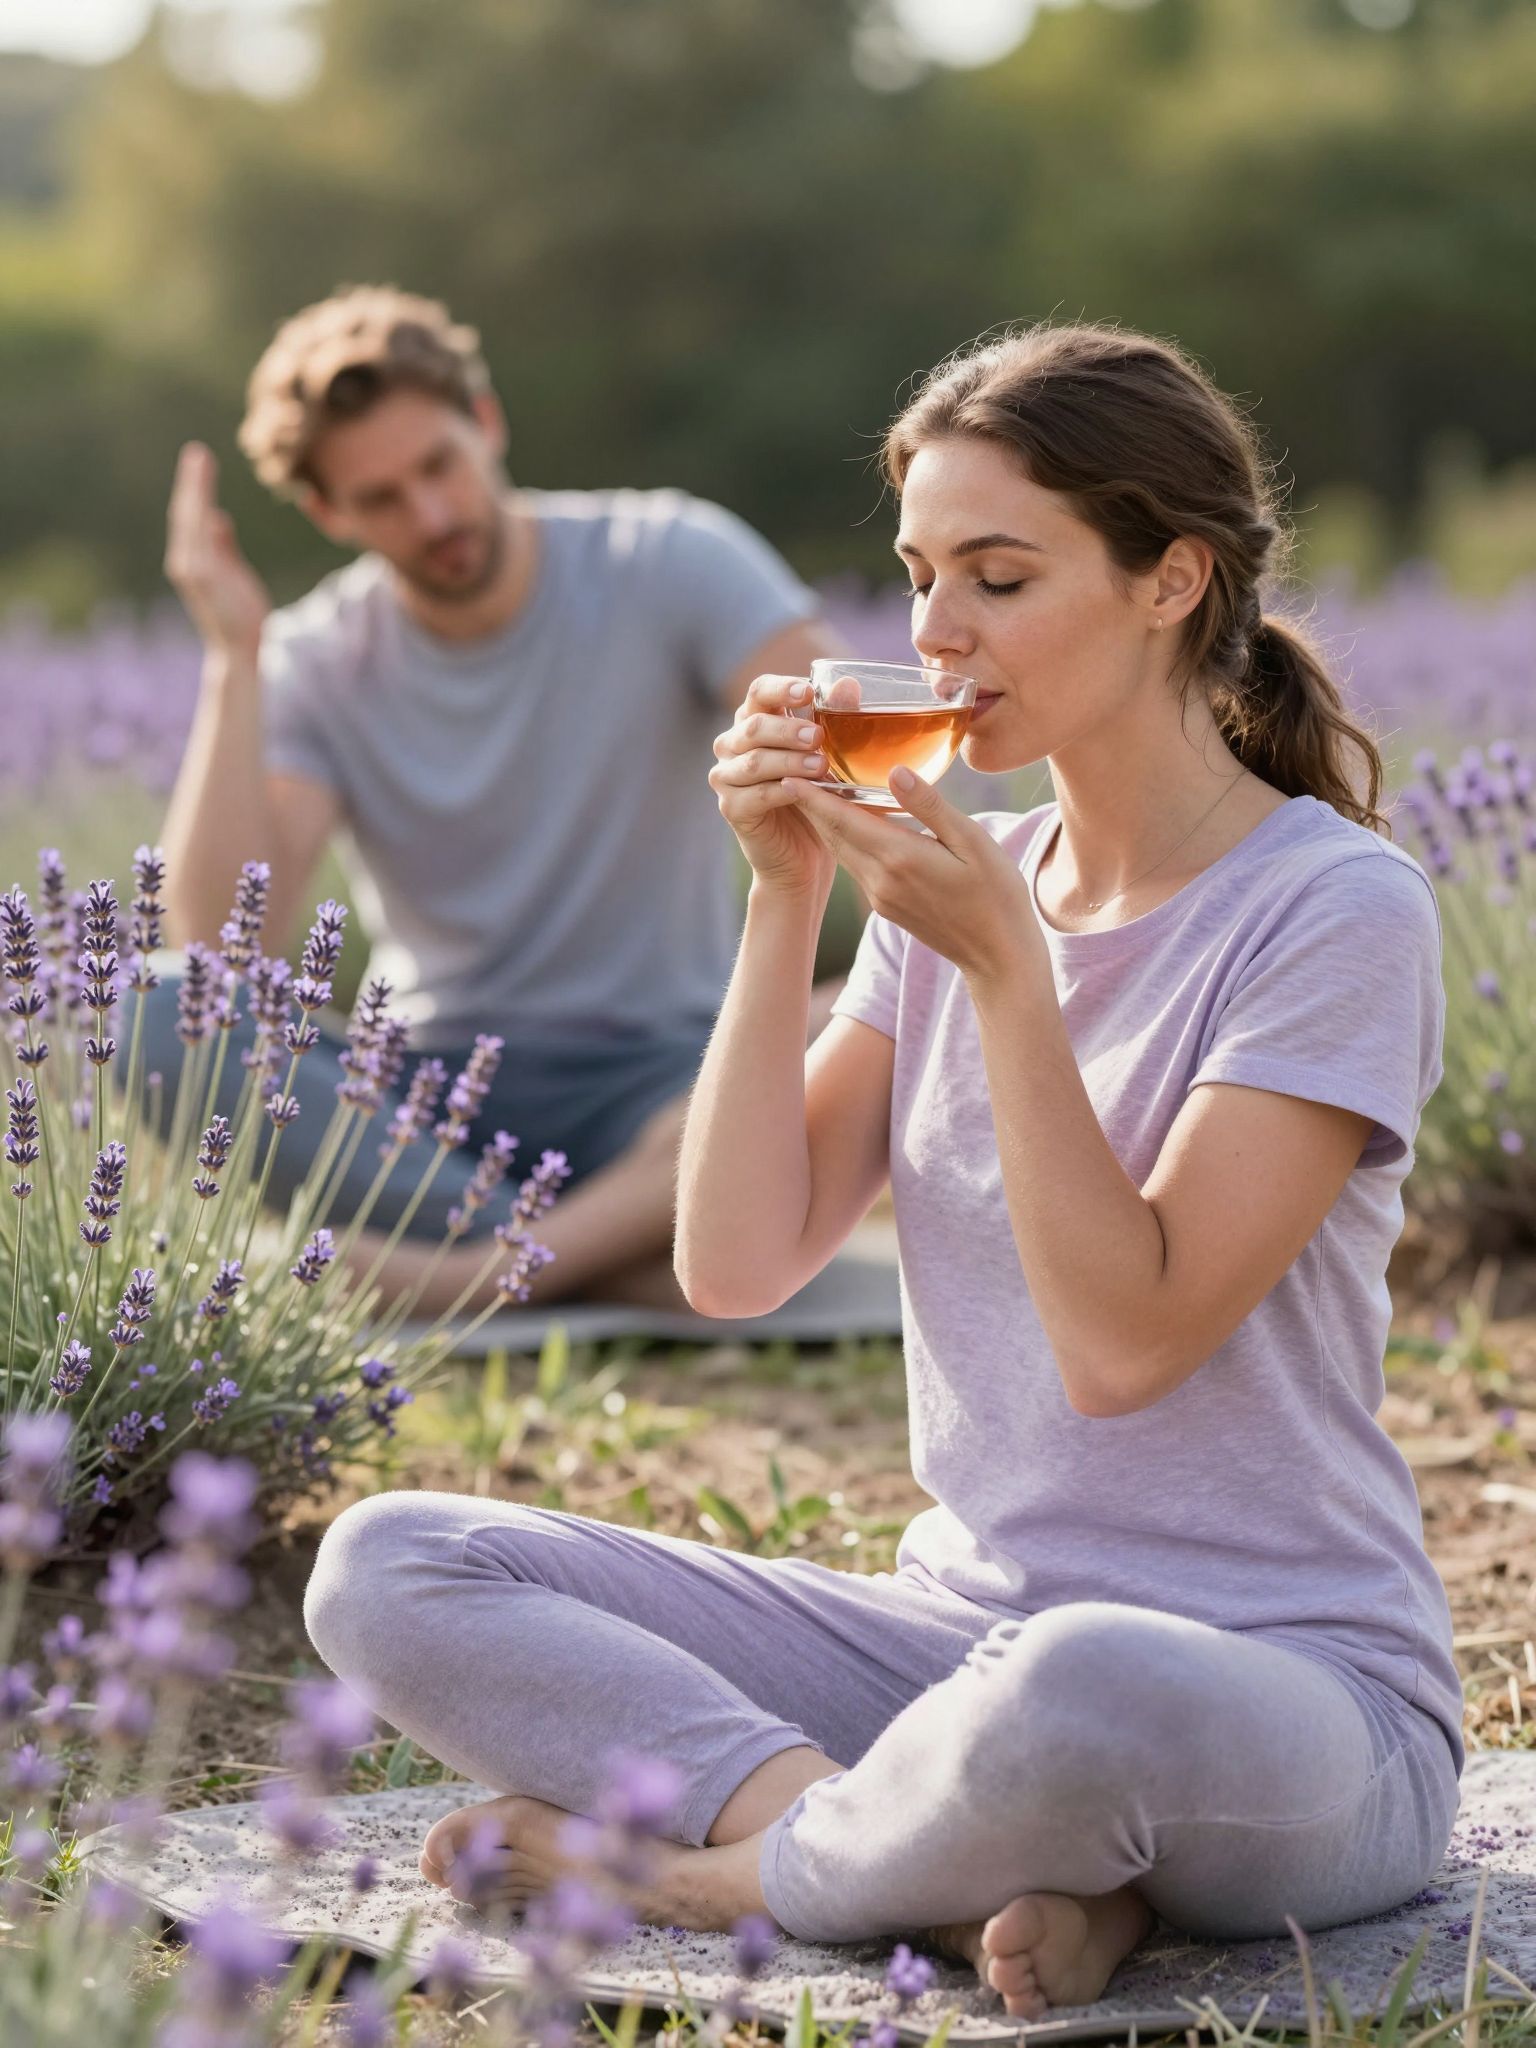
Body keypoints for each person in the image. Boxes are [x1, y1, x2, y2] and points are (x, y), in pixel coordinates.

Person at [302, 323, 1460, 2014]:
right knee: (389, 1563)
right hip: (948, 1644)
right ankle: (955, 1862)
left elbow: (1123, 1346)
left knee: (1077, 1694)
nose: (933, 635)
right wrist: (783, 897)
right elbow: (736, 1262)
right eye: (919, 576)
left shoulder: (1334, 910)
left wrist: (1011, 978)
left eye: (996, 576)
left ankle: (714, 1873)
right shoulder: (962, 885)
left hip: (1286, 1697)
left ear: (1169, 580)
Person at [154, 285, 844, 1311]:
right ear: (328, 513)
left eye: (438, 466)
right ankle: (631, 1246)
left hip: (670, 1072)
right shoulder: (317, 657)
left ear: (485, 423)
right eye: (381, 497)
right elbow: (218, 947)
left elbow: (846, 760)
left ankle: (472, 1273)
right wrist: (233, 659)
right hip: (431, 1099)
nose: (431, 516)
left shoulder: (666, 558)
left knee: (864, 1019)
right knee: (155, 1006)